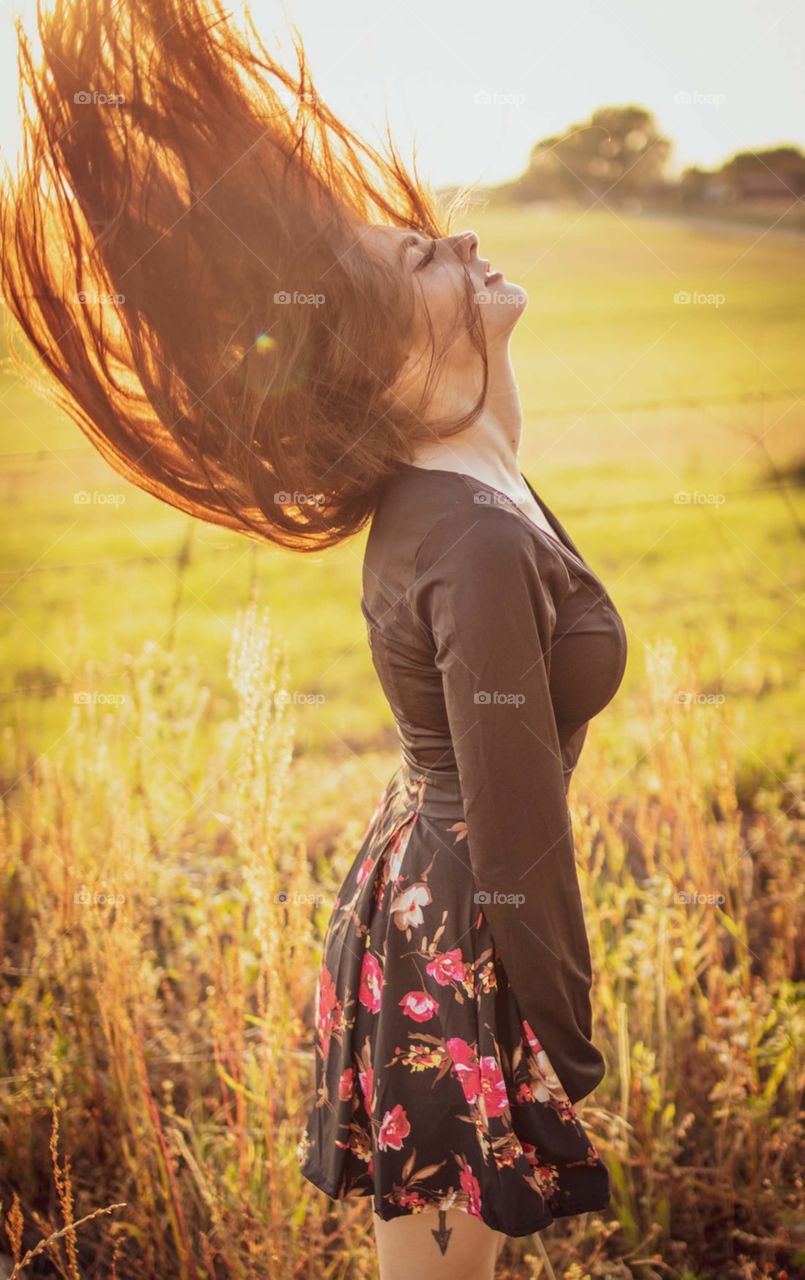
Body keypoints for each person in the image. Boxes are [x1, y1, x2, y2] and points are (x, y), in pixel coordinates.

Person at [1, 2, 627, 1274]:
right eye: (426, 261)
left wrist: (448, 310)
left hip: (423, 901)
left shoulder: (454, 479)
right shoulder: (473, 535)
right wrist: (569, 1036)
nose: (460, 237)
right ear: (396, 365)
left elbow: (481, 424)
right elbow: (513, 824)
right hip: (468, 926)